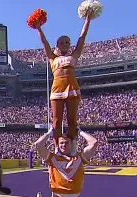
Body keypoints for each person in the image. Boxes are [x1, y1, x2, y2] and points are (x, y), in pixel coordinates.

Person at [33, 12, 92, 148]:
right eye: (62, 42)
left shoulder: (75, 55)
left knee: (72, 120)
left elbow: (82, 37)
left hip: (72, 88)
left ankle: (73, 146)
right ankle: (57, 147)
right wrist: (39, 28)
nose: (65, 44)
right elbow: (44, 42)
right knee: (56, 121)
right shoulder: (52, 57)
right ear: (57, 45)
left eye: (67, 42)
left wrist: (87, 20)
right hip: (57, 89)